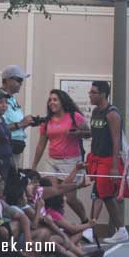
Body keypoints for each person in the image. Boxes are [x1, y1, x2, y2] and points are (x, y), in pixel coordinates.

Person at [31, 89, 89, 226]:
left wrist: (78, 133)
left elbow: (88, 133)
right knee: (51, 194)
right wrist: (34, 166)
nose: (52, 102)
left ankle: (85, 222)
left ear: (62, 101)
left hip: (71, 160)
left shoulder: (74, 116)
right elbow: (41, 145)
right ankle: (57, 223)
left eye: (55, 99)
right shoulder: (47, 121)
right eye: (50, 100)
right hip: (52, 160)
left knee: (70, 198)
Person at [86, 80, 129, 244]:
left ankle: (120, 229)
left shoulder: (112, 113)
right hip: (96, 157)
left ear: (103, 94)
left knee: (105, 195)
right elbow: (96, 133)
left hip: (107, 159)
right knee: (99, 193)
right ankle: (92, 228)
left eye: (93, 92)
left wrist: (114, 166)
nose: (90, 95)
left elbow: (116, 139)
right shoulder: (96, 111)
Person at [0, 65, 34, 166]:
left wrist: (26, 123)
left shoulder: (12, 99)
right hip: (5, 148)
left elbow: (17, 123)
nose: (21, 84)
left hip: (15, 149)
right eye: (19, 80)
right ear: (8, 80)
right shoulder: (0, 99)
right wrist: (20, 124)